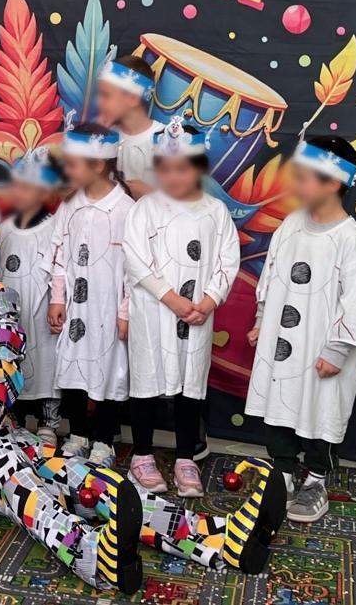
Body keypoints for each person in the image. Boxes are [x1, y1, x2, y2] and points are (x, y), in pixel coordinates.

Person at [0, 196, 286, 592]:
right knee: (2, 460)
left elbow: (4, 363)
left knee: (67, 470)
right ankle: (87, 551)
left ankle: (213, 537)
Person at [245, 134, 356, 523]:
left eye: (303, 177)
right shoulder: (291, 225)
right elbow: (271, 274)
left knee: (321, 409)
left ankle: (316, 478)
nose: (295, 185)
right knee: (280, 401)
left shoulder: (350, 240)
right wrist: (262, 319)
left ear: (332, 182)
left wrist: (337, 350)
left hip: (322, 349)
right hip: (282, 341)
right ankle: (283, 472)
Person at [122, 118, 239, 496]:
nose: (175, 177)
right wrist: (170, 297)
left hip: (197, 315)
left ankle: (186, 458)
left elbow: (227, 261)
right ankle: (142, 455)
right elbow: (135, 259)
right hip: (154, 312)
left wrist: (208, 301)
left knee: (191, 386)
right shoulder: (145, 209)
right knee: (147, 383)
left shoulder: (215, 212)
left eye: (184, 168)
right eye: (167, 169)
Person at [47, 121, 133, 467]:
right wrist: (57, 297)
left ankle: (103, 439)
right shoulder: (70, 205)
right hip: (75, 309)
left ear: (97, 165)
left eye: (73, 163)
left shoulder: (126, 210)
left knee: (109, 370)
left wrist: (124, 312)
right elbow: (58, 254)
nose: (67, 170)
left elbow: (134, 269)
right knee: (72, 367)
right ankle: (78, 433)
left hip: (107, 311)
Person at [0, 147, 61, 446]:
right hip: (11, 309)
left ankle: (49, 422)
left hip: (42, 309)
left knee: (45, 361)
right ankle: (16, 418)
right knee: (12, 360)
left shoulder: (53, 227)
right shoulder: (5, 227)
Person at [95, 48, 164, 199]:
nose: (98, 102)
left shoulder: (166, 140)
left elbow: (190, 202)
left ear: (133, 99)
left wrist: (151, 195)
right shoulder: (104, 136)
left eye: (106, 95)